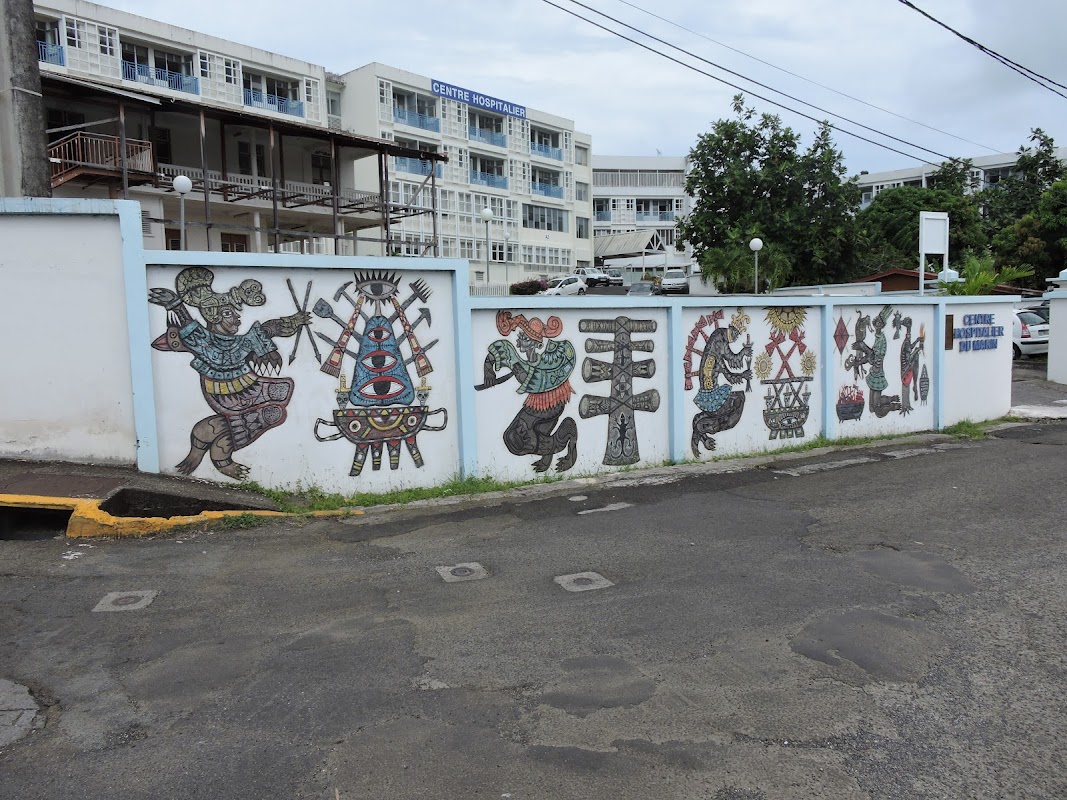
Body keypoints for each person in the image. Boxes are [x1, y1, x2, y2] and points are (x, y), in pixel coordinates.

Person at [149, 267, 308, 479]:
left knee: (270, 410)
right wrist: (176, 306)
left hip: (250, 388)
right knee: (253, 418)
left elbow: (271, 328)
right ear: (214, 317)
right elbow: (197, 337)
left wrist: (295, 320)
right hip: (225, 394)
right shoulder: (205, 341)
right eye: (229, 314)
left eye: (235, 314)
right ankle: (220, 460)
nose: (237, 319)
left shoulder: (241, 342)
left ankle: (207, 451)